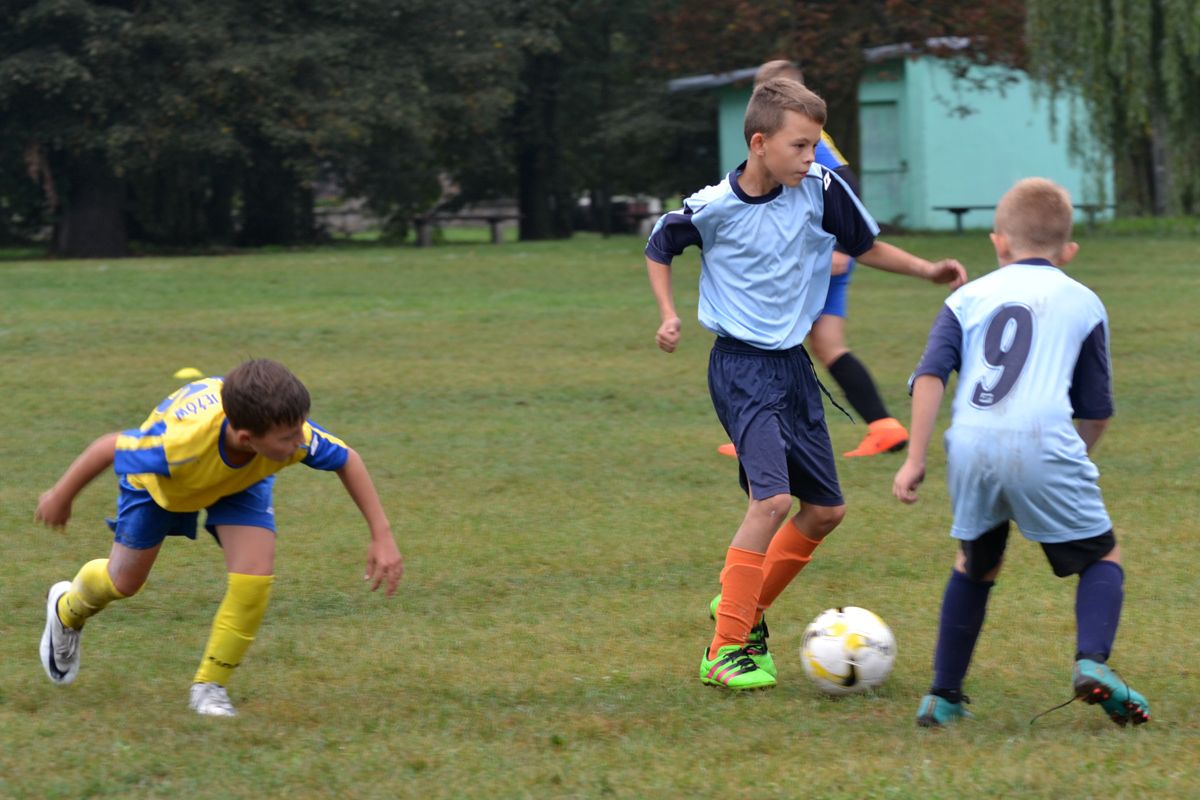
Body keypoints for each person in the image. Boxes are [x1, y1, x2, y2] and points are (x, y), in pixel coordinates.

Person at [645, 77, 965, 690]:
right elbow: (660, 246)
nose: (811, 156)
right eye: (800, 145)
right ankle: (725, 649)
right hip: (741, 368)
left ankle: (741, 604)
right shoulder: (714, 206)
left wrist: (927, 270)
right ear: (759, 144)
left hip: (794, 367)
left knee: (824, 511)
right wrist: (668, 313)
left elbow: (864, 245)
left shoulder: (820, 188)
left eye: (814, 144)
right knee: (771, 502)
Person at [892, 178, 1150, 727]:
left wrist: (915, 458)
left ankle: (942, 696)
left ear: (999, 243)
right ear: (1069, 251)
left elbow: (931, 375)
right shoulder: (1084, 301)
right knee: (1102, 557)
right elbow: (1097, 410)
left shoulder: (964, 298)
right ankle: (1092, 662)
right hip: (1044, 441)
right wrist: (1075, 456)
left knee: (975, 564)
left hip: (970, 444)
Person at [35, 358, 404, 717]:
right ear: (246, 438)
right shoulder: (179, 445)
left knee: (253, 579)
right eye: (288, 437)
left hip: (243, 482)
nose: (300, 441)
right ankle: (66, 609)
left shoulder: (288, 435)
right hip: (160, 488)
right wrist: (60, 496)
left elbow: (346, 459)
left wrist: (381, 535)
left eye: (300, 428)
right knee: (124, 582)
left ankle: (210, 687)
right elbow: (108, 448)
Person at [717, 60, 909, 461]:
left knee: (768, 339)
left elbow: (845, 184)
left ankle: (762, 431)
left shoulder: (803, 137)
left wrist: (841, 247)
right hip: (818, 251)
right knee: (826, 344)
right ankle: (883, 426)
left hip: (817, 255)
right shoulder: (799, 137)